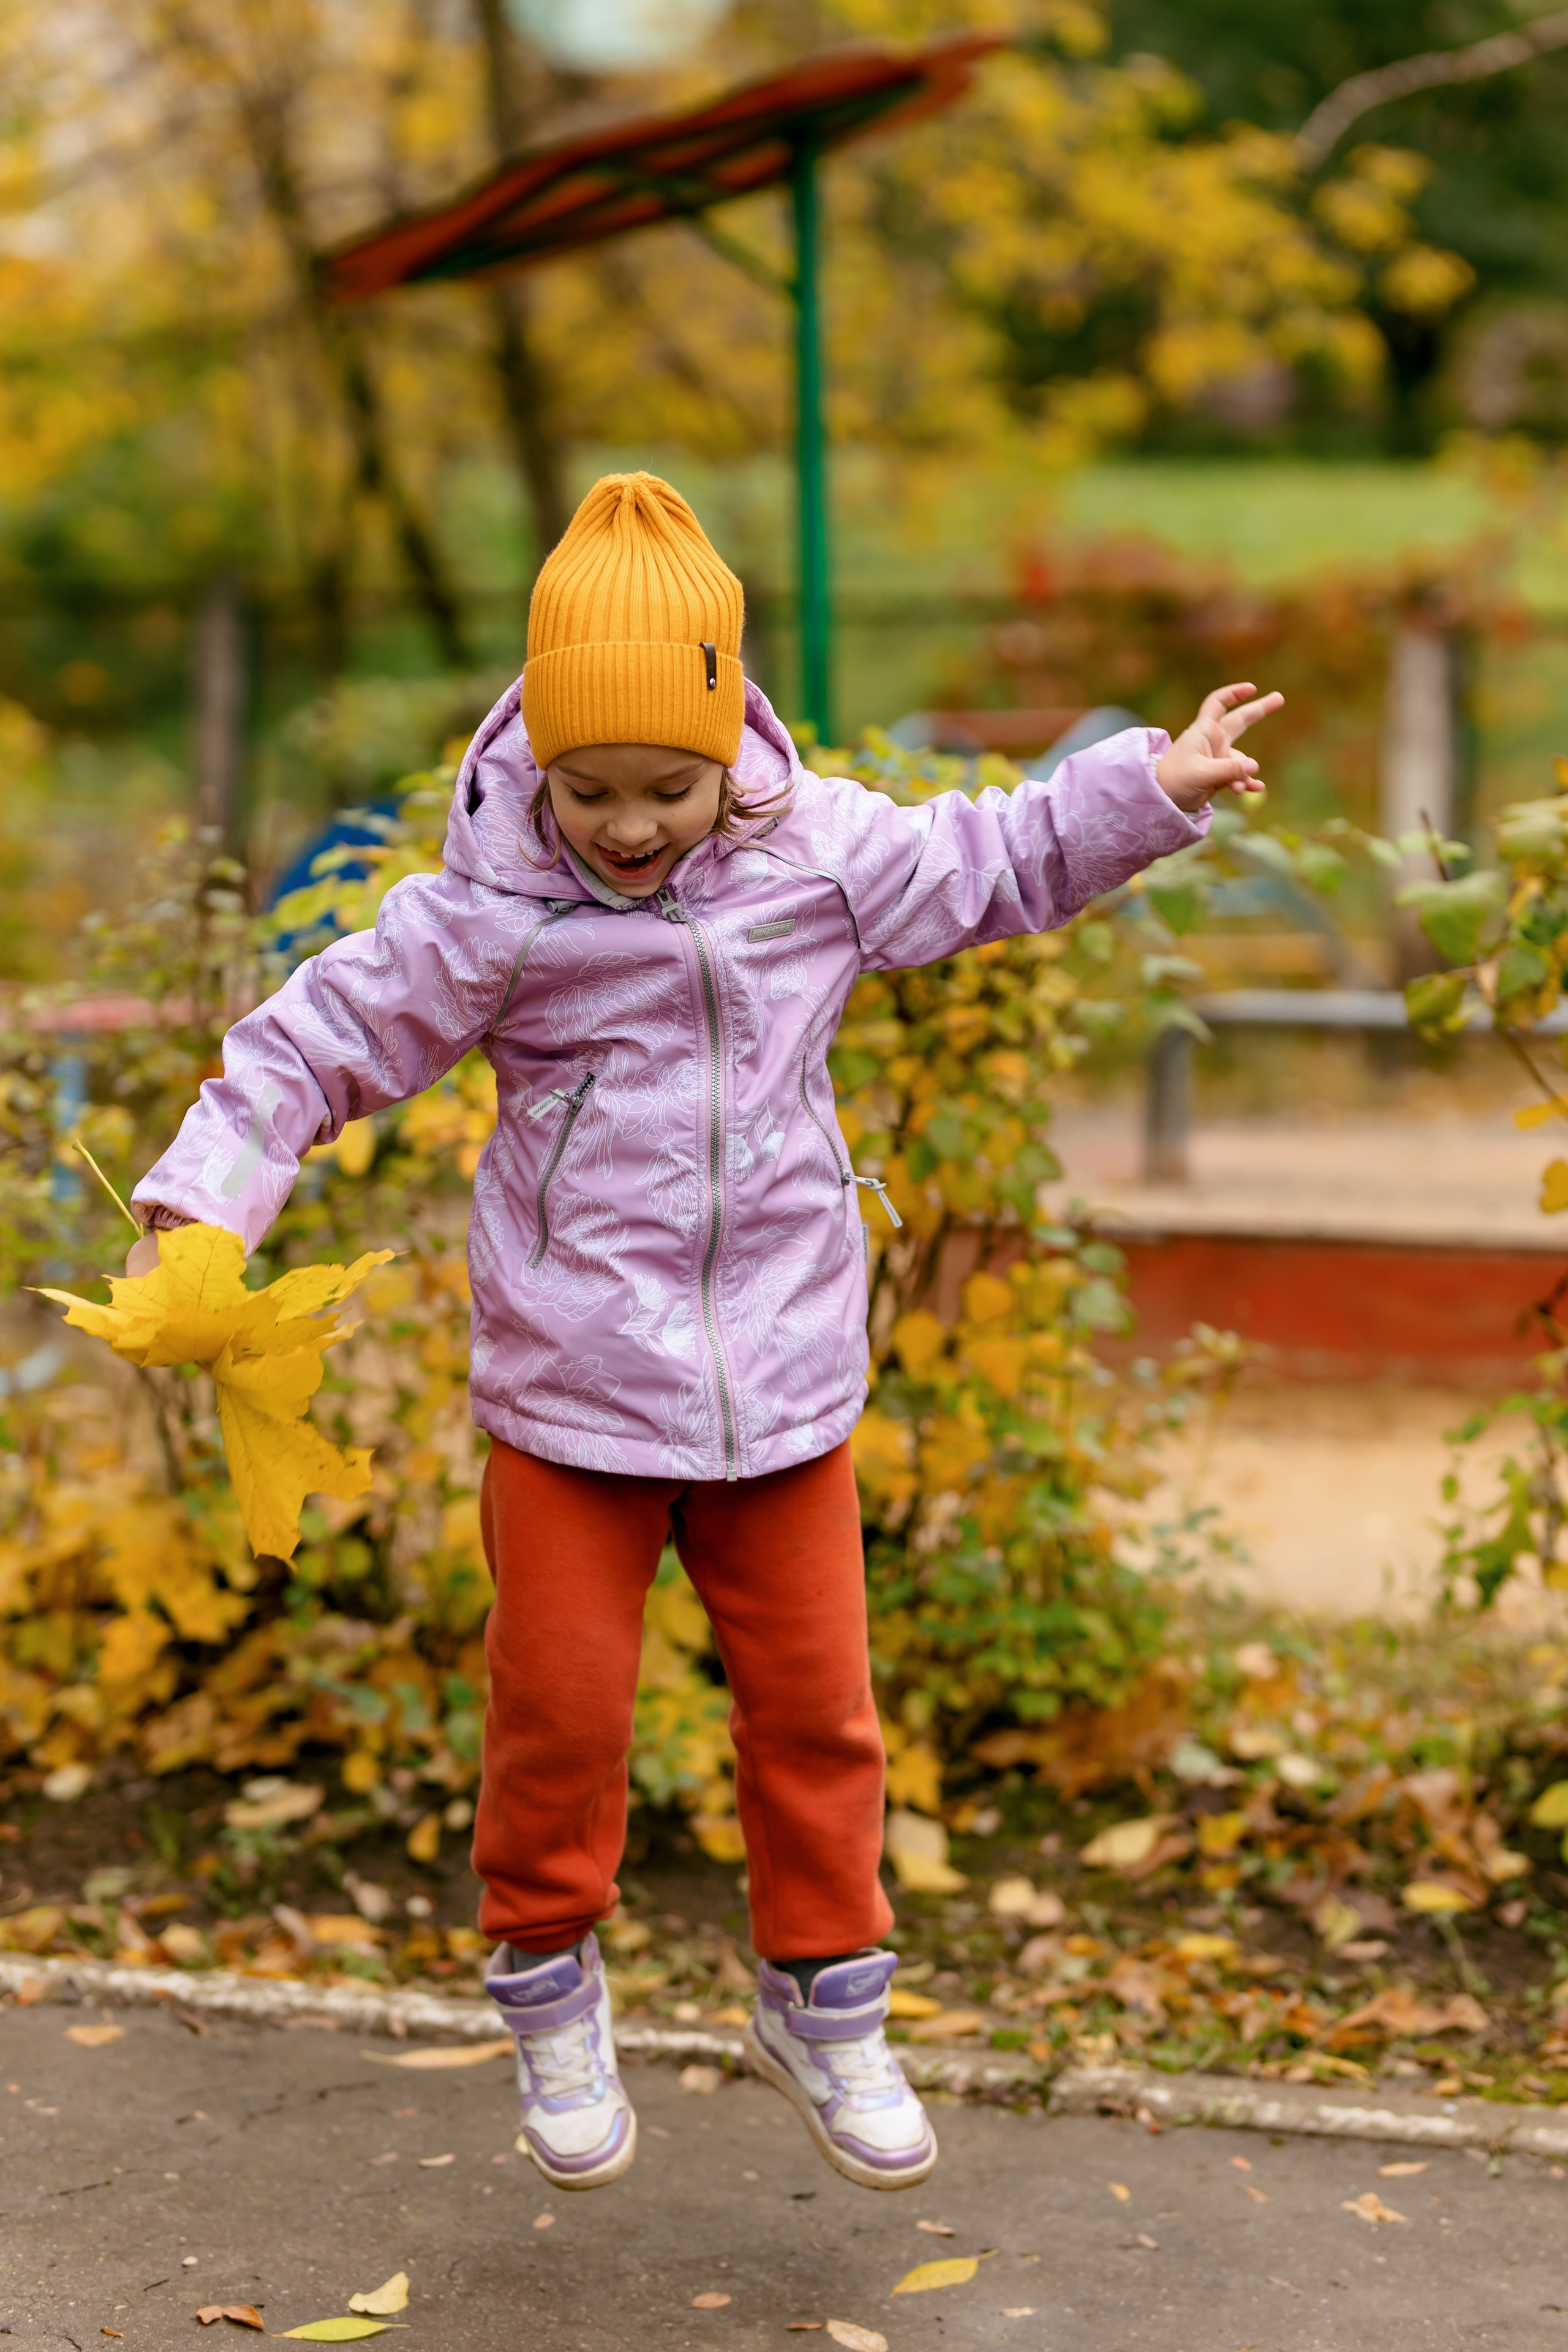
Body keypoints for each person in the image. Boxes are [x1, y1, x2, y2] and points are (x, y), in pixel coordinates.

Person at [129, 472, 1280, 2196]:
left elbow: (993, 857)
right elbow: (309, 1045)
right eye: (590, 789)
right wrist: (204, 1202)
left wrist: (1149, 789)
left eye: (667, 785)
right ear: (537, 763)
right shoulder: (495, 915)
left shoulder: (811, 856)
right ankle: (545, 1981)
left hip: (786, 1378)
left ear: (729, 738)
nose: (631, 823)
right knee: (562, 1710)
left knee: (821, 1715)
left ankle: (825, 1997)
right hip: (574, 1391)